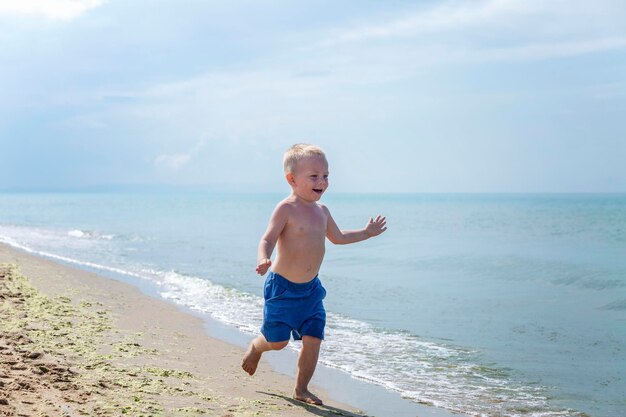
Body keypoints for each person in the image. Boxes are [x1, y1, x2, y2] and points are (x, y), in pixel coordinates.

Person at [241, 143, 387, 405]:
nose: (322, 181)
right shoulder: (286, 208)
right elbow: (267, 239)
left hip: (310, 290)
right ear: (292, 179)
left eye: (326, 176)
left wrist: (366, 233)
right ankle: (256, 346)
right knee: (278, 342)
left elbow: (338, 237)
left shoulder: (322, 211)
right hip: (282, 288)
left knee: (313, 339)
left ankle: (301, 389)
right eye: (314, 176)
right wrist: (263, 259)